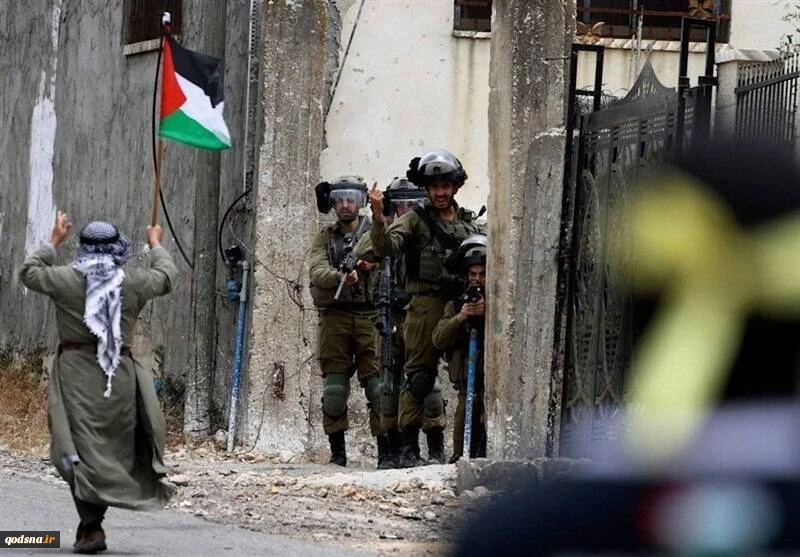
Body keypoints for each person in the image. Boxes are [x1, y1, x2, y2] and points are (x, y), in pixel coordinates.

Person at [19, 211, 177, 554]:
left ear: (83, 248)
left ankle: (91, 525)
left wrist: (54, 240)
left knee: (77, 450)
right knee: (111, 450)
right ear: (118, 248)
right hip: (119, 377)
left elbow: (29, 272)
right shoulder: (134, 282)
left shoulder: (64, 279)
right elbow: (166, 276)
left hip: (75, 376)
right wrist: (155, 245)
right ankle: (91, 524)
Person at [367, 149, 484, 467]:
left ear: (456, 186)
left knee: (468, 378)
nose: (440, 192)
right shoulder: (415, 220)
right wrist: (377, 217)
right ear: (427, 189)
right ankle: (408, 450)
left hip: (461, 304)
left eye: (446, 185)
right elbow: (385, 247)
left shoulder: (468, 222)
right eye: (434, 187)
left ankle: (463, 453)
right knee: (419, 377)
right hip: (425, 306)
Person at [356, 177, 448, 468]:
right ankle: (390, 450)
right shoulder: (386, 233)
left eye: (412, 204)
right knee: (387, 386)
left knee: (427, 383)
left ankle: (434, 448)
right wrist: (380, 221)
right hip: (389, 317)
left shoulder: (426, 231)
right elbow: (363, 249)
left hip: (418, 314)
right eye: (400, 205)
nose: (406, 210)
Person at [309, 176, 382, 467]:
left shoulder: (374, 231)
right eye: (339, 200)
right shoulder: (325, 237)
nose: (345, 206)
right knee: (335, 391)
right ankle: (338, 454)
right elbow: (317, 270)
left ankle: (387, 453)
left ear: (360, 202)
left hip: (371, 315)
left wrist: (370, 264)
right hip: (335, 317)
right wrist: (340, 275)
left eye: (350, 199)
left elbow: (390, 253)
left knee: (379, 388)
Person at [432, 234, 487, 463]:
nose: (477, 280)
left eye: (482, 274)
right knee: (461, 455)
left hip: (490, 388)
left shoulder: (501, 303)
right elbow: (438, 339)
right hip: (467, 388)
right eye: (473, 274)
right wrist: (461, 317)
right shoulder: (456, 305)